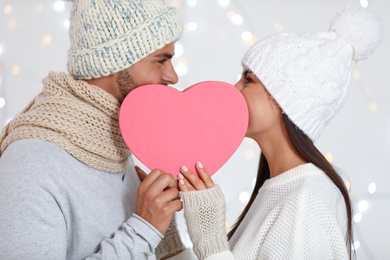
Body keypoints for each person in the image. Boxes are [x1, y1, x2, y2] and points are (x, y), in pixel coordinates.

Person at [175, 6, 382, 260]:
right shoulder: (281, 188)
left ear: (286, 100)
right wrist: (169, 241)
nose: (235, 88)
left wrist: (211, 239)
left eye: (248, 80)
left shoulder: (308, 201)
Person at [0, 0, 189, 259]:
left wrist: (162, 227)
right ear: (116, 60)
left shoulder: (113, 143)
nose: (172, 76)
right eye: (161, 60)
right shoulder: (32, 161)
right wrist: (144, 229)